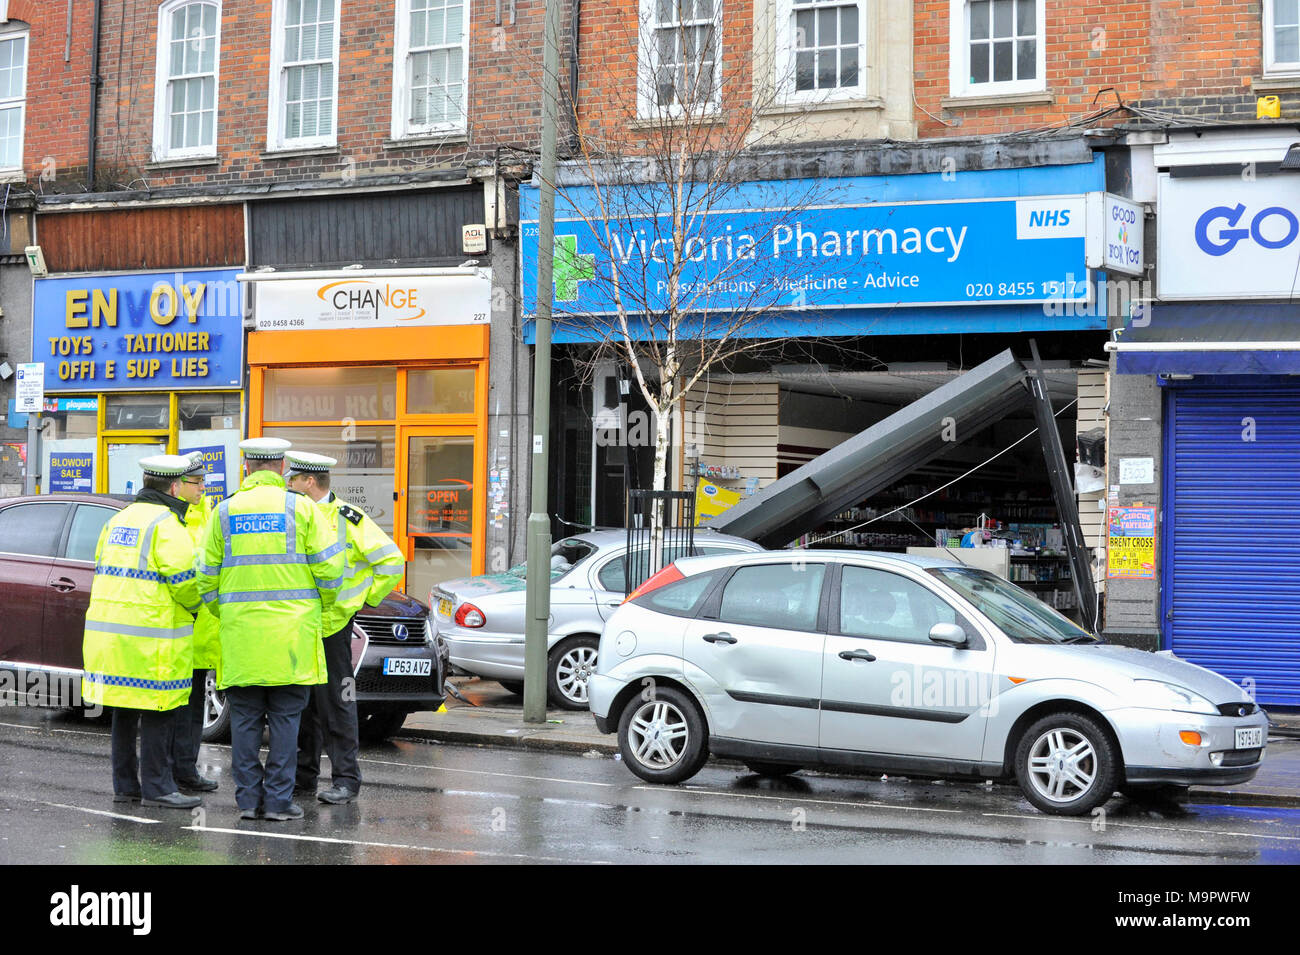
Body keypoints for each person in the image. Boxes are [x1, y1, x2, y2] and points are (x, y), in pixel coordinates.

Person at [195, 437, 344, 822]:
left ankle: (247, 801)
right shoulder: (303, 510)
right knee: (285, 722)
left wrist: (226, 611)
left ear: (247, 468)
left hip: (242, 638)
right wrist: (319, 610)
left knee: (244, 721)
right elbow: (331, 571)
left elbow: (205, 578)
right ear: (282, 469)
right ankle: (278, 801)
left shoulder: (223, 512)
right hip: (292, 640)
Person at [81, 454, 204, 810]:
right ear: (175, 485)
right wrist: (198, 607)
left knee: (123, 711)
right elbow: (187, 584)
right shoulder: (167, 525)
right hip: (152, 640)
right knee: (158, 710)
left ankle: (125, 787)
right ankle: (158, 788)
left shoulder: (118, 520)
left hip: (111, 639)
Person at [287, 451, 404, 804]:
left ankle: (346, 780)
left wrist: (363, 599)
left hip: (334, 627)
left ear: (309, 481)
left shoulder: (346, 518)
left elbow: (391, 560)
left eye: (292, 479)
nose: (287, 484)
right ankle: (304, 777)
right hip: (302, 624)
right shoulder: (293, 514)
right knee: (303, 703)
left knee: (338, 702)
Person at [171, 451, 220, 793]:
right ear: (177, 485)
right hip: (174, 630)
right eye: (196, 481)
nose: (203, 486)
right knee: (170, 708)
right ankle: (167, 772)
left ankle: (186, 769)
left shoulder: (210, 516)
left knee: (192, 708)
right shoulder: (169, 520)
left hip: (201, 633)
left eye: (204, 481)